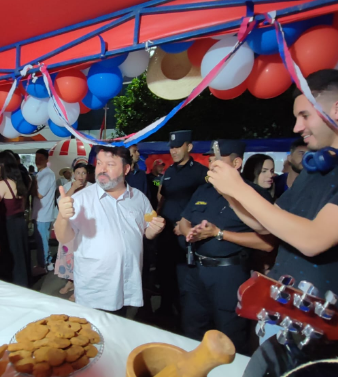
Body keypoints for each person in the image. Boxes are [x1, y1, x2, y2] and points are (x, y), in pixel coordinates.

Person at [207, 69, 338, 341]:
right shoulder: (315, 169)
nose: (297, 128)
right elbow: (266, 223)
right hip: (283, 315)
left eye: (304, 116)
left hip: (321, 330)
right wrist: (229, 192)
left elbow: (314, 239)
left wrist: (240, 188)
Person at [179, 140, 276, 355]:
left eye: (216, 157)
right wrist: (191, 234)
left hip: (228, 275)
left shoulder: (254, 194)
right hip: (195, 270)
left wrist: (219, 234)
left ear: (236, 162)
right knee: (192, 329)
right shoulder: (203, 190)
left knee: (230, 337)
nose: (210, 161)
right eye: (210, 157)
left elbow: (266, 243)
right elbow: (184, 220)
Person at [54, 145, 165, 316]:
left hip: (126, 284)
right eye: (99, 163)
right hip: (95, 288)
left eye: (110, 164)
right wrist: (62, 216)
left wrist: (155, 230)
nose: (102, 169)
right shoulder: (81, 199)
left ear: (126, 169)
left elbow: (146, 232)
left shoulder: (139, 198)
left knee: (117, 332)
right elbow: (64, 237)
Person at [156, 130, 207, 322]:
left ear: (189, 147)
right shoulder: (169, 171)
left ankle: (185, 319)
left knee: (185, 281)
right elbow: (164, 198)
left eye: (178, 146)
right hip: (166, 234)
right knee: (165, 275)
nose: (174, 151)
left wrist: (187, 223)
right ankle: (165, 312)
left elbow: (205, 202)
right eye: (171, 147)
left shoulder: (201, 172)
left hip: (186, 236)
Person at [0, 151, 30, 287]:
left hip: (8, 225)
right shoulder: (20, 181)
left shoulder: (3, 184)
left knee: (11, 256)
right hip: (20, 222)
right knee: (21, 255)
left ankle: (13, 284)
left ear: (3, 166)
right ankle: (23, 283)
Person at [55, 163, 92, 302]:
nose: (81, 176)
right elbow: (61, 203)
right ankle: (70, 281)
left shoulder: (92, 187)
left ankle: (79, 287)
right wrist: (73, 188)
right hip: (69, 226)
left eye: (84, 173)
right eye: (78, 173)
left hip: (85, 227)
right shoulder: (67, 186)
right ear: (73, 173)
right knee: (69, 256)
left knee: (80, 257)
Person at [32, 149, 56, 274]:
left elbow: (40, 194)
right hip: (39, 213)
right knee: (41, 241)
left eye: (41, 158)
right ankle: (47, 262)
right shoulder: (40, 173)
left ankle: (44, 265)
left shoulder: (47, 174)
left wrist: (31, 186)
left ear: (47, 160)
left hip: (43, 214)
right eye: (36, 158)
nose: (37, 161)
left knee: (42, 242)